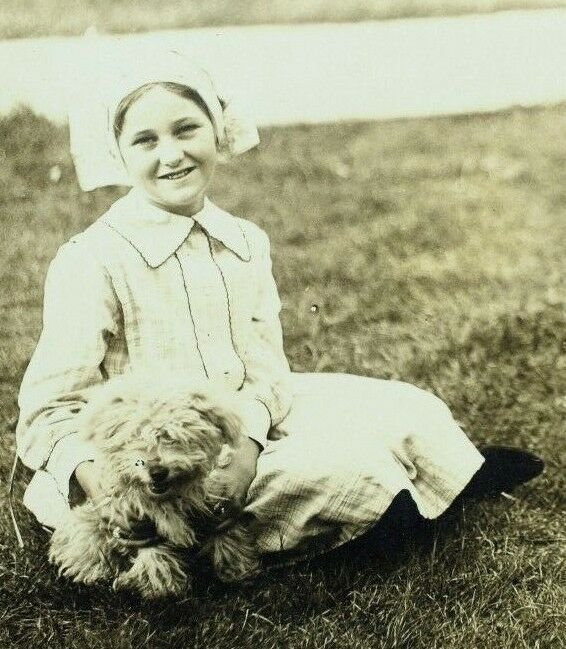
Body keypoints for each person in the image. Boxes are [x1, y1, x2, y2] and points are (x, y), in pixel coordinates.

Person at [16, 48, 543, 566]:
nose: (171, 154)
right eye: (146, 141)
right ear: (120, 154)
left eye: (186, 129)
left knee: (408, 405)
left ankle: (450, 476)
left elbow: (266, 367)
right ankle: (392, 511)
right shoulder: (95, 258)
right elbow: (48, 409)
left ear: (218, 132)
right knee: (344, 469)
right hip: (155, 462)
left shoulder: (244, 240)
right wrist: (99, 479)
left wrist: (247, 445)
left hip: (239, 423)